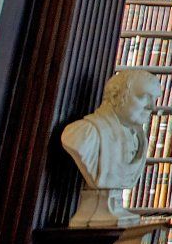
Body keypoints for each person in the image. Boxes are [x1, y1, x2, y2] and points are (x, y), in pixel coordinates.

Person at [60, 68, 162, 227]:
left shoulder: (138, 139)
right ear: (115, 96)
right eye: (143, 97)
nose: (152, 107)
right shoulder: (84, 134)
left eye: (154, 99)